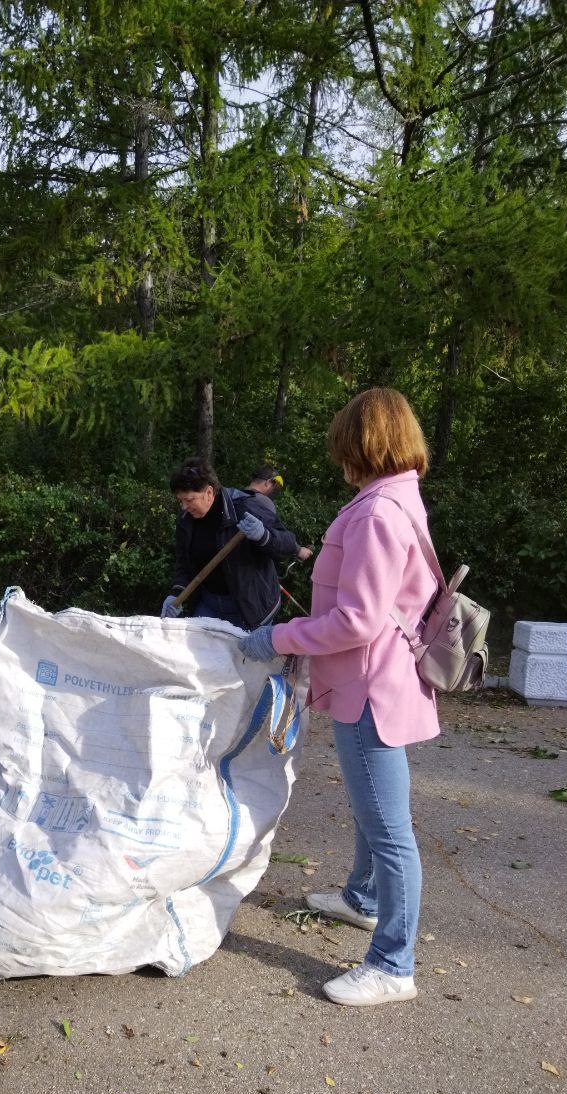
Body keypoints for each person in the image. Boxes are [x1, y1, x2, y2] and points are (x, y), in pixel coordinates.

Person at [239, 388, 439, 1007]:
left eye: (342, 447)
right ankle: (362, 898)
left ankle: (392, 963)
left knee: (388, 827)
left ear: (362, 446)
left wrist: (275, 635)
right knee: (369, 805)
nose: (337, 459)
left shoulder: (378, 511)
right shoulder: (391, 497)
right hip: (373, 681)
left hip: (370, 688)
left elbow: (357, 620)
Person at [161, 458, 306, 628]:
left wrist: (264, 536)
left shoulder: (245, 507)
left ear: (209, 492)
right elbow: (184, 563)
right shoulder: (186, 521)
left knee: (246, 654)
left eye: (190, 500)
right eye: (181, 501)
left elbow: (288, 543)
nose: (184, 507)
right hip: (208, 605)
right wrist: (177, 593)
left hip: (249, 609)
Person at [244, 465, 314, 562]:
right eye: (274, 486)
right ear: (268, 483)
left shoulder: (235, 497)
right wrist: (298, 549)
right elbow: (276, 538)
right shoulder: (263, 501)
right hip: (252, 566)